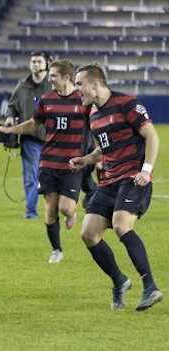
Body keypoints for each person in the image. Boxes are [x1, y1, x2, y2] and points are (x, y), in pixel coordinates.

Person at [70, 63, 163, 311]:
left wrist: (146, 170)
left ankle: (150, 287)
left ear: (95, 84)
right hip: (108, 180)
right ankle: (119, 281)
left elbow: (151, 135)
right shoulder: (93, 114)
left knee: (122, 225)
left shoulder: (126, 103)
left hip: (133, 177)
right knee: (88, 234)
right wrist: (85, 160)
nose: (76, 89)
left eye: (79, 84)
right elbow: (104, 149)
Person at [0, 60, 90, 263]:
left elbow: (96, 125)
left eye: (53, 75)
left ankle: (71, 215)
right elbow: (32, 124)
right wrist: (9, 129)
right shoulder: (47, 100)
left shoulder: (83, 102)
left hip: (73, 163)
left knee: (65, 207)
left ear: (66, 77)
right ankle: (56, 250)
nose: (49, 79)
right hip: (48, 162)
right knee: (50, 207)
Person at [5, 51, 52, 219]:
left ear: (47, 63)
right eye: (33, 61)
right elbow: (11, 106)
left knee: (54, 175)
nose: (35, 64)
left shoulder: (53, 85)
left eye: (39, 61)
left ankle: (57, 208)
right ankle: (31, 212)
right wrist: (10, 117)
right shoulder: (22, 86)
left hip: (52, 138)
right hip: (29, 137)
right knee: (31, 176)